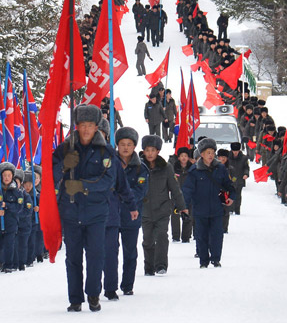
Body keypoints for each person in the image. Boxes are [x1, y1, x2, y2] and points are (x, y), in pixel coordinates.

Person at [53, 104, 117, 312]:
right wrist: (64, 165)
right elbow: (50, 175)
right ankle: (75, 299)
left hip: (96, 212)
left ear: (97, 127)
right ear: (77, 126)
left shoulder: (105, 150)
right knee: (72, 257)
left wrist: (83, 186)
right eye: (82, 124)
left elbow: (108, 180)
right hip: (70, 210)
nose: (86, 129)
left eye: (90, 125)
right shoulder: (65, 148)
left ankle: (93, 293)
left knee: (95, 255)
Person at [103, 127, 144, 300]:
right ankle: (110, 286)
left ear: (134, 146)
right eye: (122, 144)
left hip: (130, 215)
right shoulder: (108, 164)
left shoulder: (140, 168)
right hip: (110, 214)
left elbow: (141, 190)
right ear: (117, 145)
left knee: (130, 252)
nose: (125, 148)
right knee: (109, 252)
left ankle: (127, 285)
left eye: (129, 144)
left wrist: (122, 193)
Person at [181, 138, 234, 268]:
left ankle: (216, 259)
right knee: (201, 236)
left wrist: (231, 197)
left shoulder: (220, 168)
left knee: (217, 235)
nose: (210, 155)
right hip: (200, 209)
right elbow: (187, 190)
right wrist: (184, 206)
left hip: (217, 208)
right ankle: (203, 260)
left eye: (212, 152)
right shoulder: (194, 170)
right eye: (207, 153)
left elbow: (228, 185)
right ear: (202, 154)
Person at [140, 135, 187, 276]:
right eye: (147, 150)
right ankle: (149, 267)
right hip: (145, 211)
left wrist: (182, 207)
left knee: (161, 236)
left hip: (162, 210)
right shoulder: (138, 167)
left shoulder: (166, 168)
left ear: (158, 151)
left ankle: (161, 264)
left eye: (153, 150)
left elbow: (175, 189)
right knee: (147, 240)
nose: (150, 153)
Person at [0, 162, 23, 273]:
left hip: (11, 221)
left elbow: (19, 207)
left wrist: (6, 205)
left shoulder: (16, 191)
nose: (6, 178)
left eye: (9, 175)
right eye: (4, 175)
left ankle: (9, 264)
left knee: (9, 244)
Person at [169, 147, 194, 243]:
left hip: (188, 196)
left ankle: (186, 237)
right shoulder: (173, 168)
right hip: (175, 195)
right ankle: (175, 236)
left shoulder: (192, 169)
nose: (183, 158)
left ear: (188, 158)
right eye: (181, 156)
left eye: (185, 156)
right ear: (178, 157)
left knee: (188, 215)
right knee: (175, 216)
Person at [226, 142, 250, 214]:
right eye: (234, 151)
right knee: (230, 194)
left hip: (239, 178)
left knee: (238, 195)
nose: (235, 152)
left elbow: (246, 167)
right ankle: (230, 209)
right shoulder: (228, 157)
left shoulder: (244, 158)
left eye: (237, 151)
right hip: (230, 179)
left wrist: (246, 174)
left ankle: (237, 210)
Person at [216, 149, 232, 233]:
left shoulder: (230, 168)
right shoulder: (214, 167)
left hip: (226, 193)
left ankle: (224, 228)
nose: (222, 159)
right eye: (220, 157)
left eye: (224, 157)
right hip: (215, 191)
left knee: (225, 211)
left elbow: (234, 179)